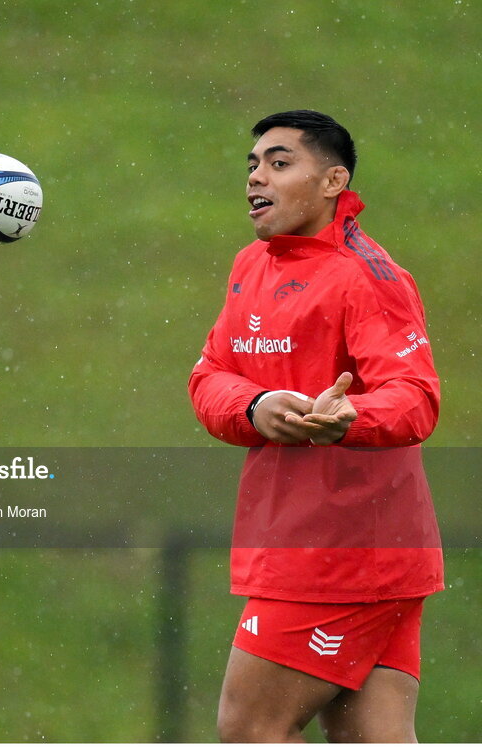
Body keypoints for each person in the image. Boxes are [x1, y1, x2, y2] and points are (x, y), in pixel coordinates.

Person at [188, 110, 442, 742]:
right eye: (253, 165)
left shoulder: (366, 276)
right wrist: (256, 406)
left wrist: (350, 418)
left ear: (333, 181)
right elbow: (210, 375)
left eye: (279, 163)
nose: (257, 177)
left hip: (339, 553)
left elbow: (416, 396)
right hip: (340, 547)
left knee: (249, 727)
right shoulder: (251, 266)